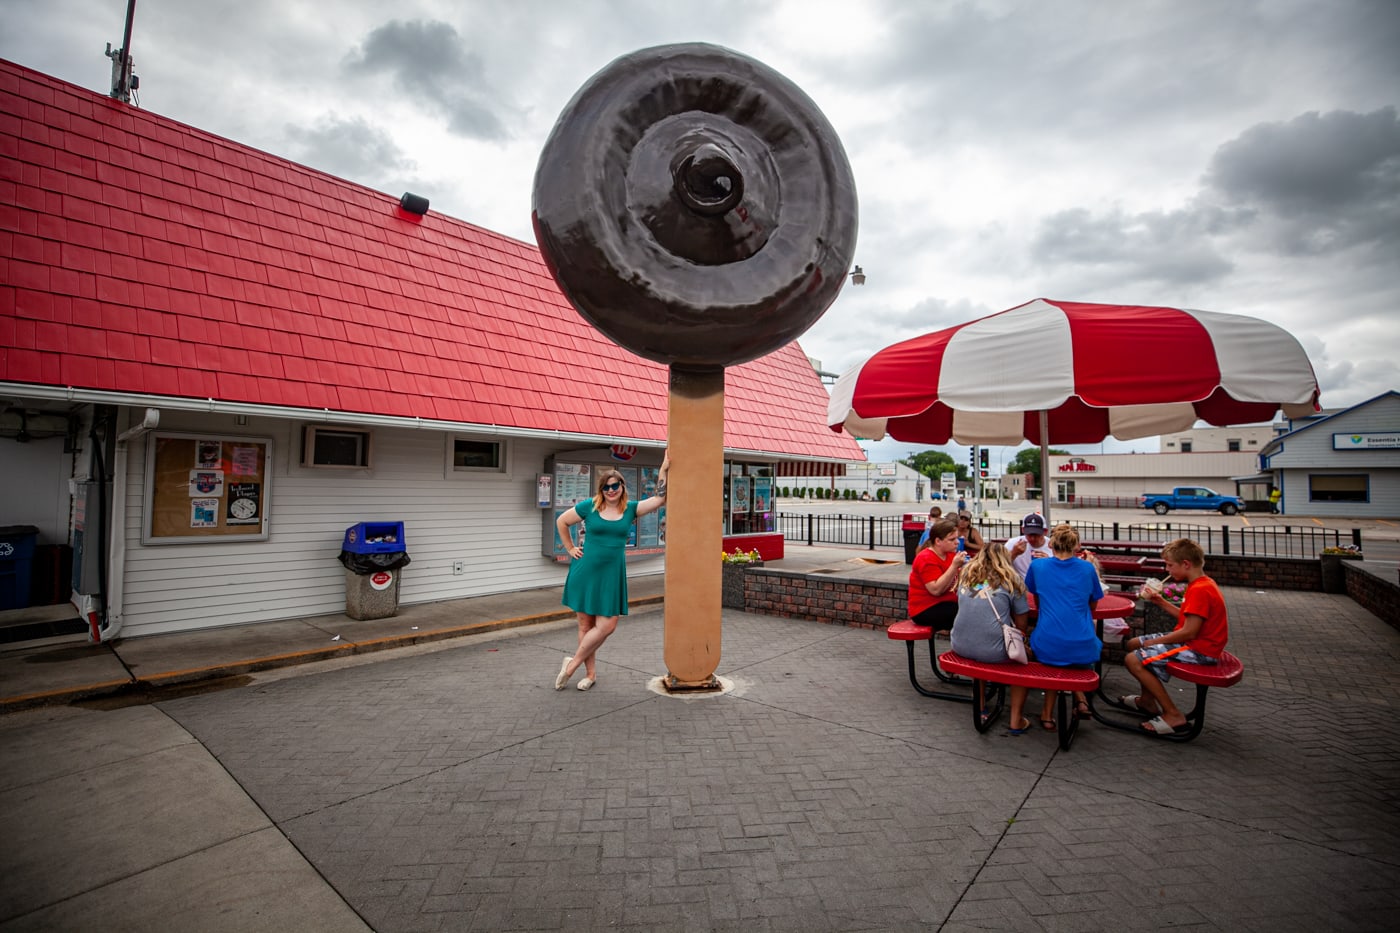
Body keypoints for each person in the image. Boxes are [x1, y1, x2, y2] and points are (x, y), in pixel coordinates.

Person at [553, 453, 670, 690]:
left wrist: (664, 468)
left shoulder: (631, 509)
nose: (611, 490)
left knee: (607, 625)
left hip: (611, 575)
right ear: (601, 489)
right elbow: (562, 522)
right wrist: (570, 548)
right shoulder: (591, 506)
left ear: (622, 487)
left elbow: (660, 498)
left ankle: (571, 665)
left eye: (615, 485)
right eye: (606, 487)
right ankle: (590, 674)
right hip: (585, 571)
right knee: (585, 626)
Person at [1122, 538, 1229, 734]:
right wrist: (1161, 602)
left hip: (1200, 649)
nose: (1167, 570)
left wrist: (1154, 642)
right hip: (1194, 642)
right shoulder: (1202, 583)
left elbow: (1190, 631)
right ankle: (1147, 701)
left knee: (1133, 659)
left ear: (1186, 564)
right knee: (1133, 643)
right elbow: (1189, 617)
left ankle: (1172, 714)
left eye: (1170, 565)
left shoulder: (1200, 590)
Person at [1021, 523, 1103, 731]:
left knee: (1054, 660)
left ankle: (1048, 714)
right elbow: (1093, 604)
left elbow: (1036, 596)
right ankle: (1081, 699)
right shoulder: (1087, 568)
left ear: (1052, 544)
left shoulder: (1038, 567)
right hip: (1083, 643)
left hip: (1047, 640)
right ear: (1076, 546)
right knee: (1071, 655)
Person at [908, 518, 966, 633]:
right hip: (925, 609)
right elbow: (936, 590)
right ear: (938, 541)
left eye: (957, 538)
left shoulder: (950, 555)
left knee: (976, 608)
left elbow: (961, 580)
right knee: (965, 615)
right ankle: (964, 649)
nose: (957, 542)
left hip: (946, 603)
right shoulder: (926, 558)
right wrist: (954, 567)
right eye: (952, 539)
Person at [1005, 512, 1051, 577]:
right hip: (1020, 585)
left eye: (1036, 534)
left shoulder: (1053, 546)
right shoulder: (1012, 543)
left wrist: (1051, 563)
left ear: (1045, 531)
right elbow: (998, 567)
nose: (1032, 538)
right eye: (1029, 534)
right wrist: (1013, 554)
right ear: (1023, 530)